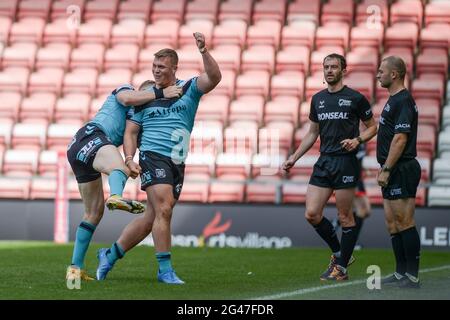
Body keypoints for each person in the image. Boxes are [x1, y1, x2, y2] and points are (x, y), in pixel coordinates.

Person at [95, 32, 221, 284]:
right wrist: (129, 157)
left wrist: (204, 50)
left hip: (177, 161)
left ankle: (109, 255)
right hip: (153, 156)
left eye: (161, 67)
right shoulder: (145, 97)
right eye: (154, 66)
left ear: (174, 68)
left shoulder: (187, 88)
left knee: (152, 217)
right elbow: (131, 132)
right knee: (164, 209)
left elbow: (215, 78)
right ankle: (165, 270)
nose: (156, 70)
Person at [65, 80, 183, 281]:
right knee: (117, 168)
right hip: (92, 135)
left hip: (80, 149)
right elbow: (128, 98)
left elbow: (133, 138)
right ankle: (116, 196)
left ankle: (75, 271)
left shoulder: (140, 117)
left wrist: (132, 163)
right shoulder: (126, 89)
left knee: (93, 213)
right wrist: (159, 92)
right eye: (148, 94)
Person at [282, 53, 377, 281]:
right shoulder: (318, 99)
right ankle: (339, 254)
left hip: (346, 162)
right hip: (324, 161)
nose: (330, 70)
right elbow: (313, 133)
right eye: (326, 67)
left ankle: (341, 268)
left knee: (345, 217)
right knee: (312, 214)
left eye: (334, 67)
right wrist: (294, 157)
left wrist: (358, 140)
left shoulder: (356, 98)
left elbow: (373, 127)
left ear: (344, 70)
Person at [376, 56, 421, 288]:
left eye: (381, 71)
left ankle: (412, 276)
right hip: (392, 168)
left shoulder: (403, 100)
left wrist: (386, 169)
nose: (377, 74)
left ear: (394, 74)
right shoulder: (393, 99)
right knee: (392, 224)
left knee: (404, 221)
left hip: (401, 167)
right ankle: (401, 272)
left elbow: (400, 139)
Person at [332, 143, 372, 250]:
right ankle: (352, 242)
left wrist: (364, 169)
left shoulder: (362, 141)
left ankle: (337, 222)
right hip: (351, 178)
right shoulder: (349, 139)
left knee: (364, 211)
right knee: (363, 210)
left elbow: (357, 160)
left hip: (358, 179)